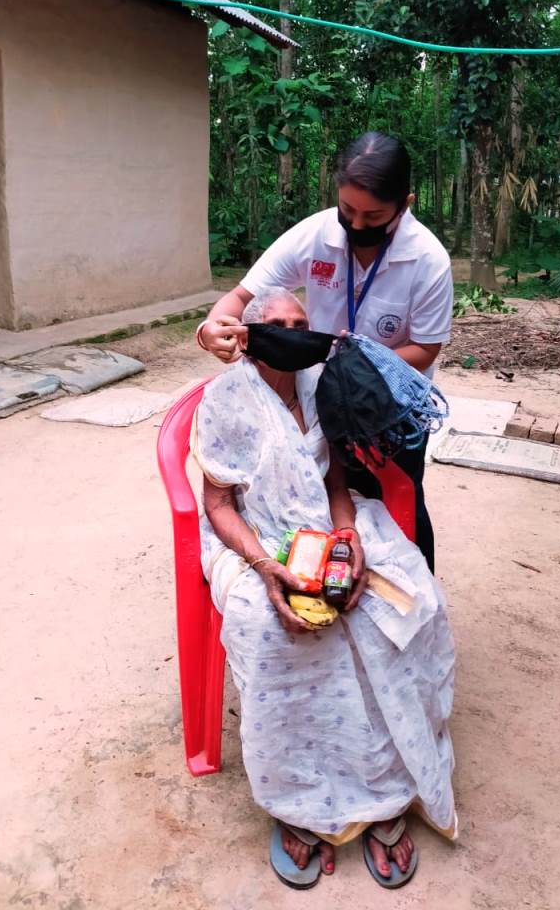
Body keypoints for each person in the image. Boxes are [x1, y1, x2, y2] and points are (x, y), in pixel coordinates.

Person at [193, 287, 456, 889]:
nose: (293, 333)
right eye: (278, 324)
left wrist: (348, 537)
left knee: (402, 610)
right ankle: (296, 804)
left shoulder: (320, 386)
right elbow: (219, 505)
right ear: (250, 335)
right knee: (274, 633)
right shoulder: (225, 399)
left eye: (301, 323)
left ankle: (386, 789)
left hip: (328, 526)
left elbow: (337, 482)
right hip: (256, 538)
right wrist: (265, 565)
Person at [196, 132, 453, 573]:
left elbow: (425, 349)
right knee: (329, 494)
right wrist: (210, 329)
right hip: (325, 399)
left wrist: (354, 368)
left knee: (400, 499)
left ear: (405, 204)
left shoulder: (428, 260)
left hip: (389, 408)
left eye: (373, 215)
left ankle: (415, 581)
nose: (357, 224)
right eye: (348, 210)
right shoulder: (313, 236)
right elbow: (238, 298)